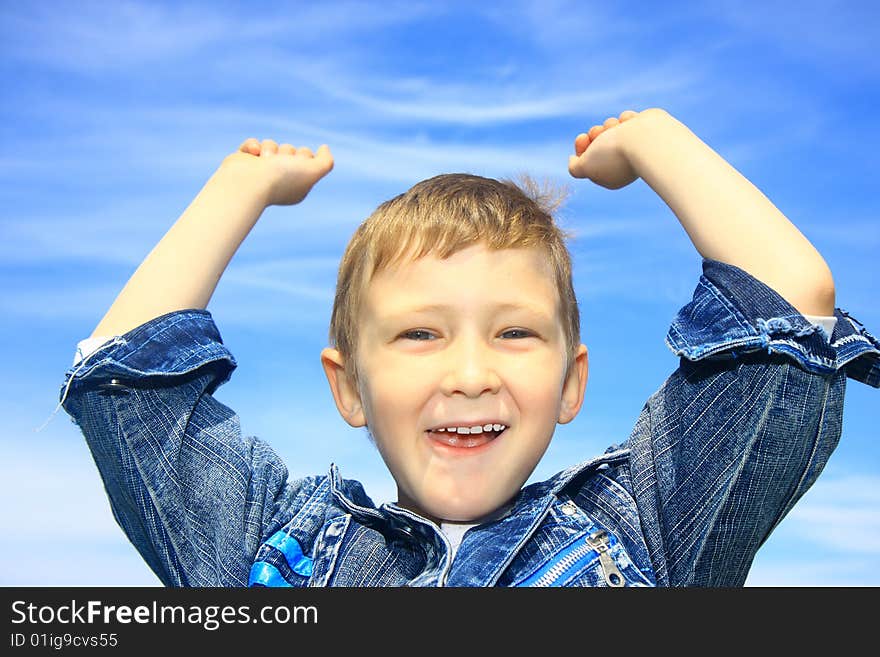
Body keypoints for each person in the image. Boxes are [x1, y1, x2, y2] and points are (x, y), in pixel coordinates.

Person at [58, 108, 879, 587]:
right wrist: (240, 186)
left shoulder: (645, 528)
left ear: (571, 381)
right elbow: (130, 385)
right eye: (420, 333)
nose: (472, 373)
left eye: (515, 332)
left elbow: (784, 313)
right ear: (349, 389)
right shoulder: (276, 546)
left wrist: (654, 141)